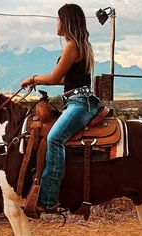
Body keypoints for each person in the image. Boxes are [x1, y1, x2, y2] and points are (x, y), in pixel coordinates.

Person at [20, 3, 101, 212]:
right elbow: (65, 79)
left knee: (55, 138)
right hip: (77, 100)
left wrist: (32, 78)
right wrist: (37, 81)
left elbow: (55, 77)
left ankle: (48, 200)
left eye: (57, 19)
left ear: (66, 21)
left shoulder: (73, 45)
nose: (56, 23)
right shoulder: (80, 45)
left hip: (80, 103)